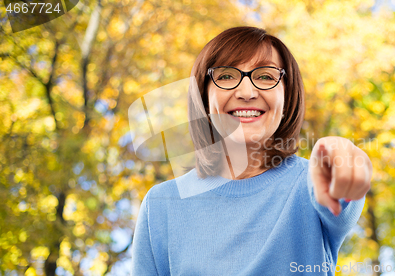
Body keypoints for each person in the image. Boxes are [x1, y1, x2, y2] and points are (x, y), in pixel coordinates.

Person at [131, 26, 372, 275]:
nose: (247, 93)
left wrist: (338, 151)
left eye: (266, 76)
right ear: (203, 98)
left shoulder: (310, 183)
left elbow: (342, 185)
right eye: (225, 76)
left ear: (287, 98)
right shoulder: (161, 205)